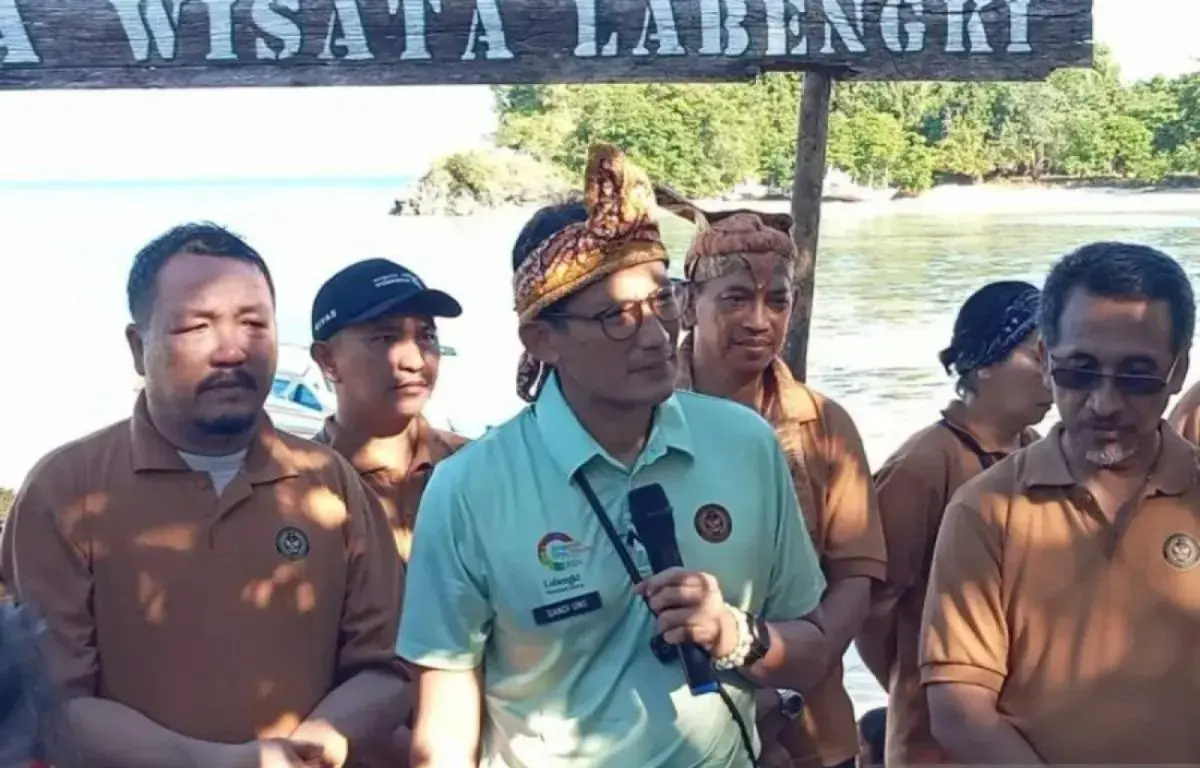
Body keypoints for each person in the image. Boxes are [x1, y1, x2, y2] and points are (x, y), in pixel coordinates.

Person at [397, 144, 830, 768]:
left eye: (663, 301)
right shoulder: (468, 488)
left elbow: (812, 651)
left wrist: (733, 632)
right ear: (542, 339)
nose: (656, 336)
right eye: (616, 319)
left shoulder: (745, 443)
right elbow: (443, 729)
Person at [0, 223, 409, 768]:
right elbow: (56, 704)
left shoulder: (326, 482)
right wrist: (218, 761)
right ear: (137, 347)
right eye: (196, 326)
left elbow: (389, 666)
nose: (231, 350)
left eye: (254, 324)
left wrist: (320, 738)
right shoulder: (67, 491)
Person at [921, 242, 1200, 764]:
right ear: (1047, 362)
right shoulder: (987, 510)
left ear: (1178, 370)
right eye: (1080, 371)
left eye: (1138, 375)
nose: (1105, 403)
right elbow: (958, 704)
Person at [665, 195, 886, 768]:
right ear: (688, 305)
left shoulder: (822, 424)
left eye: (777, 301)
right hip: (678, 728)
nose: (759, 321)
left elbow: (855, 579)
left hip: (810, 724)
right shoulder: (647, 418)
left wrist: (789, 680)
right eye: (735, 298)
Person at [855, 280, 1051, 766]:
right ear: (984, 362)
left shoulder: (1039, 452)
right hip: (937, 741)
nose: (1052, 375)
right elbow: (872, 613)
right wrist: (925, 688)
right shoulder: (923, 467)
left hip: (1028, 728)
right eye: (1036, 356)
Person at [309, 258, 468, 563]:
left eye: (427, 336)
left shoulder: (475, 467)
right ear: (328, 360)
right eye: (386, 338)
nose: (416, 361)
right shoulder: (301, 485)